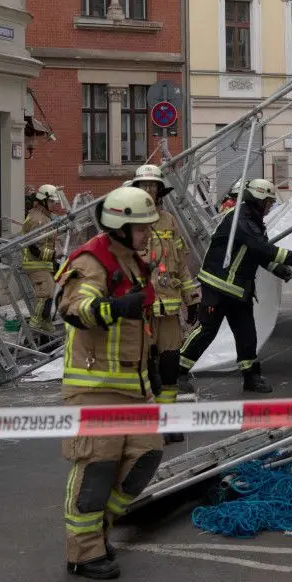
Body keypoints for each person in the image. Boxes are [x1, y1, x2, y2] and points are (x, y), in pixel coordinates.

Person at [56, 185, 165, 580]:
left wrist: (152, 372)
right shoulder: (93, 261)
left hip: (133, 387)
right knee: (96, 469)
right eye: (141, 228)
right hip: (95, 387)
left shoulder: (132, 261)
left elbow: (141, 327)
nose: (148, 234)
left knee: (147, 456)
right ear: (120, 227)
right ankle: (83, 553)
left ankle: (100, 529)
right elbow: (76, 309)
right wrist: (116, 306)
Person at [180, 178, 292, 395]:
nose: (269, 207)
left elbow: (256, 252)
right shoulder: (239, 219)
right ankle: (177, 372)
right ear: (258, 201)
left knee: (247, 335)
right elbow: (260, 247)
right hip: (218, 288)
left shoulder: (253, 221)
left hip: (238, 290)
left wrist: (277, 269)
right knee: (207, 332)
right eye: (268, 203)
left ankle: (251, 377)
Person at [128, 164, 199, 419]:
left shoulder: (169, 221)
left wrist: (192, 299)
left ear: (160, 190)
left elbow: (180, 263)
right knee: (144, 366)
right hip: (139, 310)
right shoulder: (128, 221)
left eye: (153, 186)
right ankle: (147, 417)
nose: (149, 190)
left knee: (170, 364)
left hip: (168, 309)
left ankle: (168, 418)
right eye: (144, 185)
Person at [23, 184, 66, 331]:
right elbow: (33, 246)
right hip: (35, 264)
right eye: (52, 201)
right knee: (45, 294)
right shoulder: (38, 219)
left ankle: (46, 326)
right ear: (43, 200)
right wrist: (53, 255)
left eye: (55, 201)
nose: (55, 204)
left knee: (50, 293)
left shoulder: (44, 217)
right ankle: (34, 328)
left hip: (43, 263)